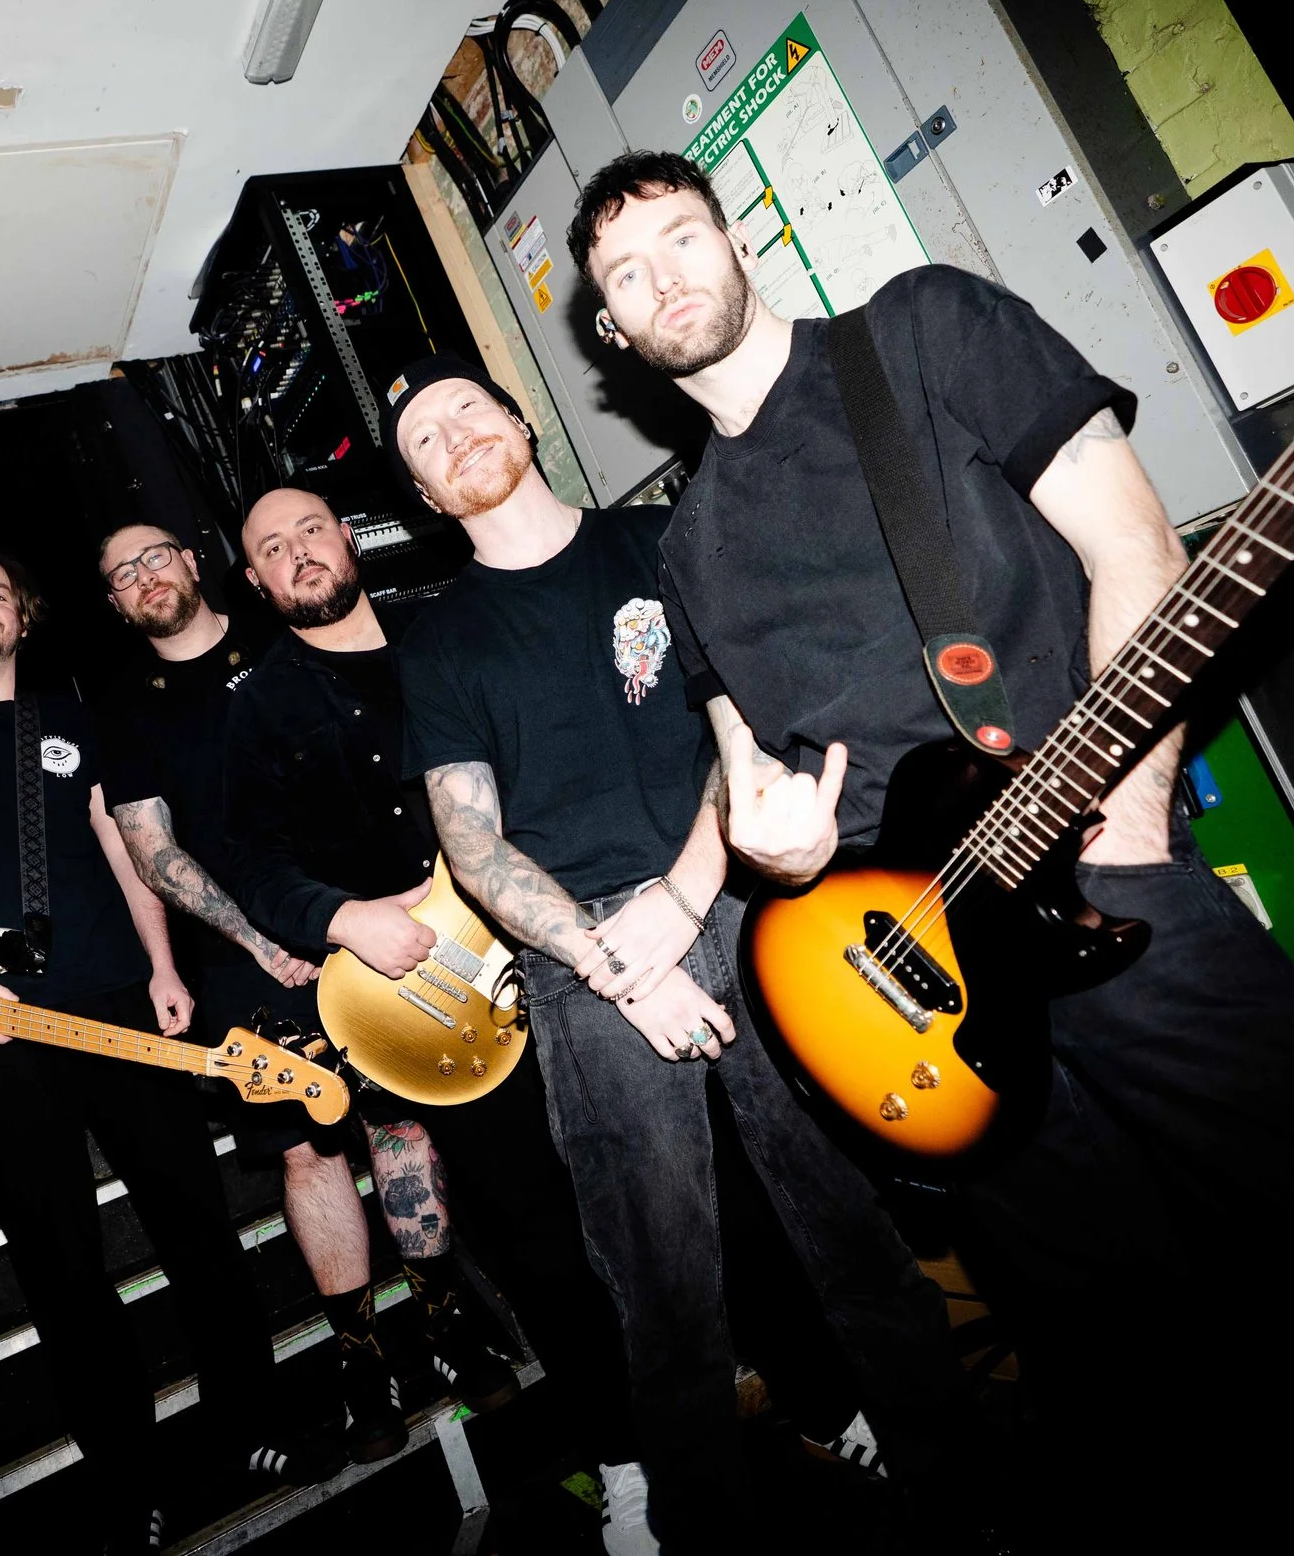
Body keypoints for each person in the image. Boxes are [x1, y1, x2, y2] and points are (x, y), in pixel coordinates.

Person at [566, 148, 1294, 1537]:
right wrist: (772, 857)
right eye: (627, 276)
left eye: (682, 237)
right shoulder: (687, 547)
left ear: (738, 241)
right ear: (611, 331)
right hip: (915, 997)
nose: (665, 279)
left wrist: (1130, 815)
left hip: (1102, 883)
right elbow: (742, 767)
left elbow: (1136, 548)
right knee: (1121, 1349)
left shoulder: (923, 328)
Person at [381, 358, 988, 1551]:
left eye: (466, 410)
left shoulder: (660, 541)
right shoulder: (439, 639)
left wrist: (686, 891)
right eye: (425, 444)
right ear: (427, 499)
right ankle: (705, 1524)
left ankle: (965, 1488)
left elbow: (746, 725)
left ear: (519, 419)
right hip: (585, 959)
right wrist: (619, 963)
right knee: (659, 1283)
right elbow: (472, 840)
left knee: (848, 1221)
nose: (454, 438)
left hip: (748, 902)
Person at [0, 545, 335, 1555]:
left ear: (23, 617)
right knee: (61, 1265)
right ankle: (128, 1478)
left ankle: (253, 1420)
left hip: (116, 1002)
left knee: (197, 1222)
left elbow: (122, 847)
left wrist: (162, 964)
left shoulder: (68, 716)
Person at [223, 485, 668, 1554]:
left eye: (311, 529)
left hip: (561, 951)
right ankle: (623, 1459)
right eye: (271, 547)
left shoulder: (452, 623)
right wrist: (343, 918)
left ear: (349, 536)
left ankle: (804, 1383)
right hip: (432, 1011)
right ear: (255, 580)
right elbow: (250, 861)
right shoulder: (258, 707)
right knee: (534, 1236)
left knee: (670, 1176)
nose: (298, 553)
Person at [93, 519, 518, 1470]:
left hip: (369, 920)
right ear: (116, 603)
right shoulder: (124, 710)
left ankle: (447, 1319)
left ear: (194, 563)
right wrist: (258, 938)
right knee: (306, 1149)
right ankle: (363, 1357)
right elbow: (152, 852)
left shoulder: (286, 633)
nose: (146, 576)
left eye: (157, 555)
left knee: (402, 1121)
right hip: (247, 958)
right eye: (123, 573)